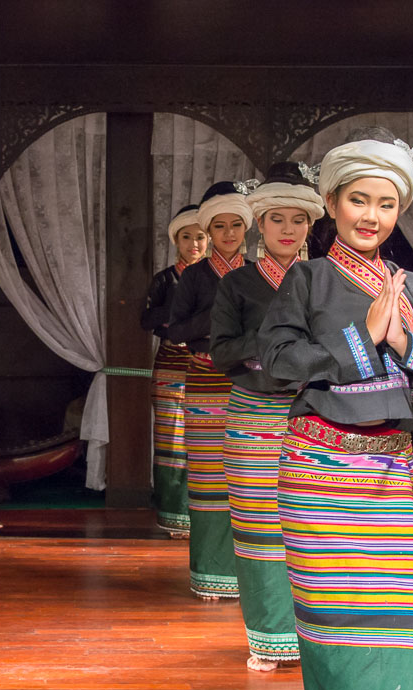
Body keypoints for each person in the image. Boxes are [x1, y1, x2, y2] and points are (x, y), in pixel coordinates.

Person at [259, 126, 413, 690]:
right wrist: (362, 338)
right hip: (320, 470)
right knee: (339, 624)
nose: (371, 216)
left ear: (400, 211)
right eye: (358, 200)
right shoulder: (307, 279)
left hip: (391, 472)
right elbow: (277, 362)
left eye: (387, 203)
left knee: (404, 622)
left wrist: (404, 339)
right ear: (332, 203)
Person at [211, 161, 323, 671]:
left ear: (310, 225)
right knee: (260, 529)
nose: (287, 229)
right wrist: (275, 342)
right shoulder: (238, 284)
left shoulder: (325, 278)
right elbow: (220, 352)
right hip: (254, 414)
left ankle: (319, 636)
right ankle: (271, 638)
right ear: (261, 222)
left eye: (297, 220)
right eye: (277, 219)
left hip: (315, 412)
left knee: (315, 529)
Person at [168, 180, 254, 600]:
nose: (228, 234)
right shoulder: (196, 277)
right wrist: (217, 310)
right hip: (204, 380)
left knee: (252, 481)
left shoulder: (259, 272)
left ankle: (252, 576)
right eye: (219, 226)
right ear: (208, 229)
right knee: (209, 482)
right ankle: (211, 575)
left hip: (252, 382)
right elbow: (175, 331)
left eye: (236, 225)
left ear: (246, 228)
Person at [141, 204, 207, 536]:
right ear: (176, 241)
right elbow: (147, 319)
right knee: (172, 441)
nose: (194, 244)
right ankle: (173, 515)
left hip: (209, 365)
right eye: (186, 238)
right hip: (170, 362)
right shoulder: (166, 279)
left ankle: (210, 516)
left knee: (207, 440)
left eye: (199, 237)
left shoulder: (221, 277)